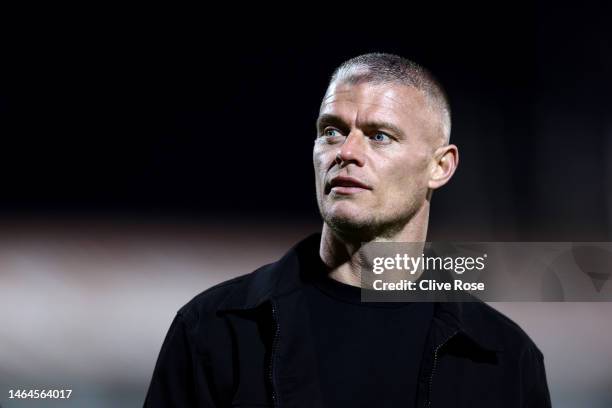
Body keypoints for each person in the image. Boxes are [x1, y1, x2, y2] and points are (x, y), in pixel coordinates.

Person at [143, 53, 552, 407]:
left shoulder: (505, 359)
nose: (347, 152)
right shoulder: (214, 330)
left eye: (379, 136)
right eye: (331, 131)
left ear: (440, 166)